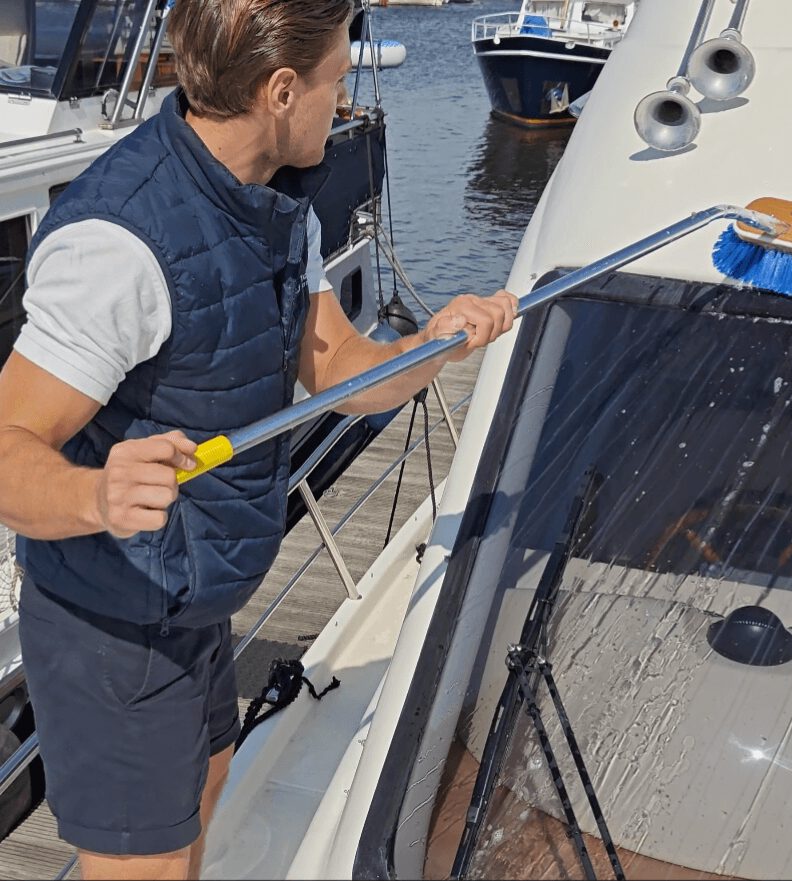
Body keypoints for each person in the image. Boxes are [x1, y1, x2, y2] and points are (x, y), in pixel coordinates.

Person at [0, 0, 517, 877]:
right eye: (335, 81)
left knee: (209, 784)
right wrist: (95, 492)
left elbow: (345, 371)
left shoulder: (279, 208)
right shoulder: (118, 242)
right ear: (281, 90)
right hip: (113, 625)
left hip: (194, 599)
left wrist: (435, 344)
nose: (344, 103)